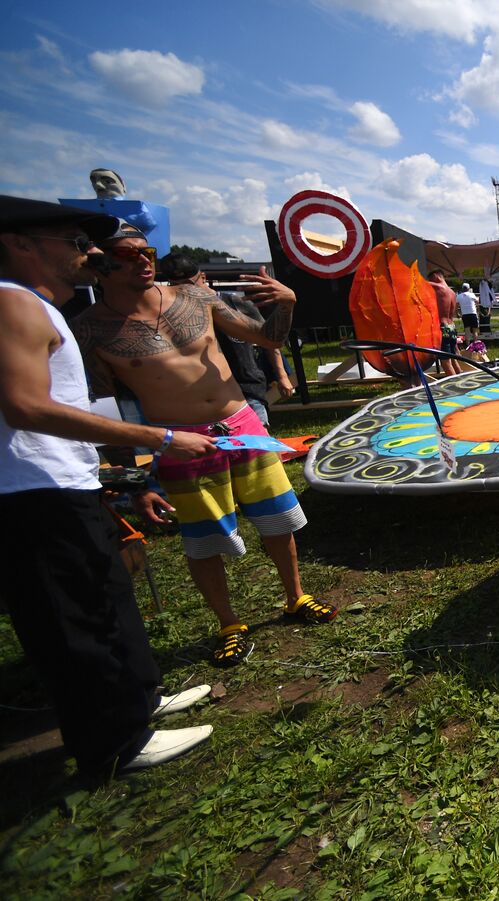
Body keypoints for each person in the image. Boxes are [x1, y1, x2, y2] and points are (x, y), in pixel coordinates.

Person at [0, 195, 217, 775]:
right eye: (74, 243)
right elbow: (25, 407)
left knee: (107, 594)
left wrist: (110, 476)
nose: (89, 253)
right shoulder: (12, 305)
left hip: (65, 483)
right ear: (21, 244)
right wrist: (160, 437)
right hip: (31, 496)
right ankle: (113, 741)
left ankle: (140, 699)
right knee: (74, 618)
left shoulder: (39, 308)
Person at [75, 226, 336, 666]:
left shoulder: (195, 299)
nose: (144, 260)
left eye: (147, 251)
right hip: (180, 440)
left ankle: (295, 596)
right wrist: (136, 482)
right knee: (203, 538)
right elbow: (106, 407)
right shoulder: (91, 329)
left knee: (278, 520)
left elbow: (267, 338)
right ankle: (230, 623)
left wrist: (288, 303)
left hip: (242, 424)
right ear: (101, 264)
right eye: (128, 253)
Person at [161, 253, 296, 426]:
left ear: (203, 277)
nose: (184, 291)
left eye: (188, 285)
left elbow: (269, 342)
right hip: (205, 395)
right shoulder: (173, 314)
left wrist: (282, 376)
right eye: (175, 285)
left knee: (258, 447)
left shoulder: (234, 303)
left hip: (247, 390)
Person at [425, 270, 464, 375]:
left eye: (431, 279)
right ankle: (461, 377)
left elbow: (419, 282)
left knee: (445, 362)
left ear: (437, 276)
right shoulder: (452, 293)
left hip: (443, 328)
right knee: (453, 358)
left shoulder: (439, 288)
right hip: (452, 327)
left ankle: (456, 387)